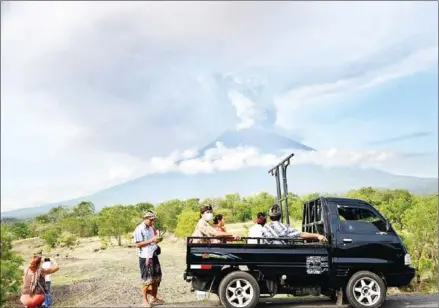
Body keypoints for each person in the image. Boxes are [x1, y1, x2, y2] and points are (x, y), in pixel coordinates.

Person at [134, 210, 165, 307]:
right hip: (145, 257)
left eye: (153, 220)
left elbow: (153, 242)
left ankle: (153, 297)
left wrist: (157, 240)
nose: (152, 222)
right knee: (147, 279)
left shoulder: (152, 228)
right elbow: (138, 244)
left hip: (153, 254)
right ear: (145, 219)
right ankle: (144, 301)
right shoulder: (139, 229)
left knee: (156, 277)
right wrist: (152, 240)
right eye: (151, 220)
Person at [262, 204, 328, 244]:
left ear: (269, 216)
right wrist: (318, 235)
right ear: (280, 216)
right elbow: (301, 234)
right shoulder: (285, 227)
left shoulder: (264, 227)